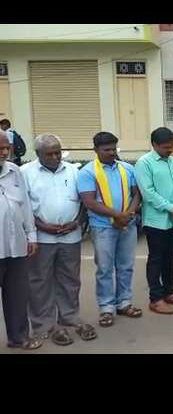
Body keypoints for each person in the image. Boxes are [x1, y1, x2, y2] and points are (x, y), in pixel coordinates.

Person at [21, 134, 97, 345]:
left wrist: (77, 222)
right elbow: (22, 206)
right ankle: (44, 323)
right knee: (39, 281)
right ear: (38, 154)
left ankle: (69, 316)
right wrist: (41, 225)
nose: (55, 157)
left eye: (58, 152)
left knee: (70, 279)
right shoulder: (25, 173)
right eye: (50, 154)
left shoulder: (73, 170)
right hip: (41, 237)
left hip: (70, 235)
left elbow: (83, 202)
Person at [78, 132, 143, 326]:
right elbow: (89, 202)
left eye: (114, 149)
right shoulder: (87, 172)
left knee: (126, 266)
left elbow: (136, 194)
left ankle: (124, 303)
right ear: (95, 150)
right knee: (105, 269)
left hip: (127, 225)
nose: (112, 153)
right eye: (106, 149)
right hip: (103, 227)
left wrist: (128, 214)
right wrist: (117, 215)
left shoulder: (127, 168)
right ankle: (106, 308)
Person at [135, 127, 173, 314]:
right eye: (165, 147)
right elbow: (148, 193)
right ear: (154, 145)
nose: (169, 150)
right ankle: (155, 299)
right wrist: (171, 208)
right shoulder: (144, 163)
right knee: (156, 259)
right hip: (156, 222)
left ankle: (169, 292)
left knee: (170, 257)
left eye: (171, 146)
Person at [0, 130, 42, 350]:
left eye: (7, 148)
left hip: (16, 246)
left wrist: (31, 235)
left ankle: (18, 337)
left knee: (17, 295)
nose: (4, 152)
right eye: (0, 149)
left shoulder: (14, 171)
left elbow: (24, 205)